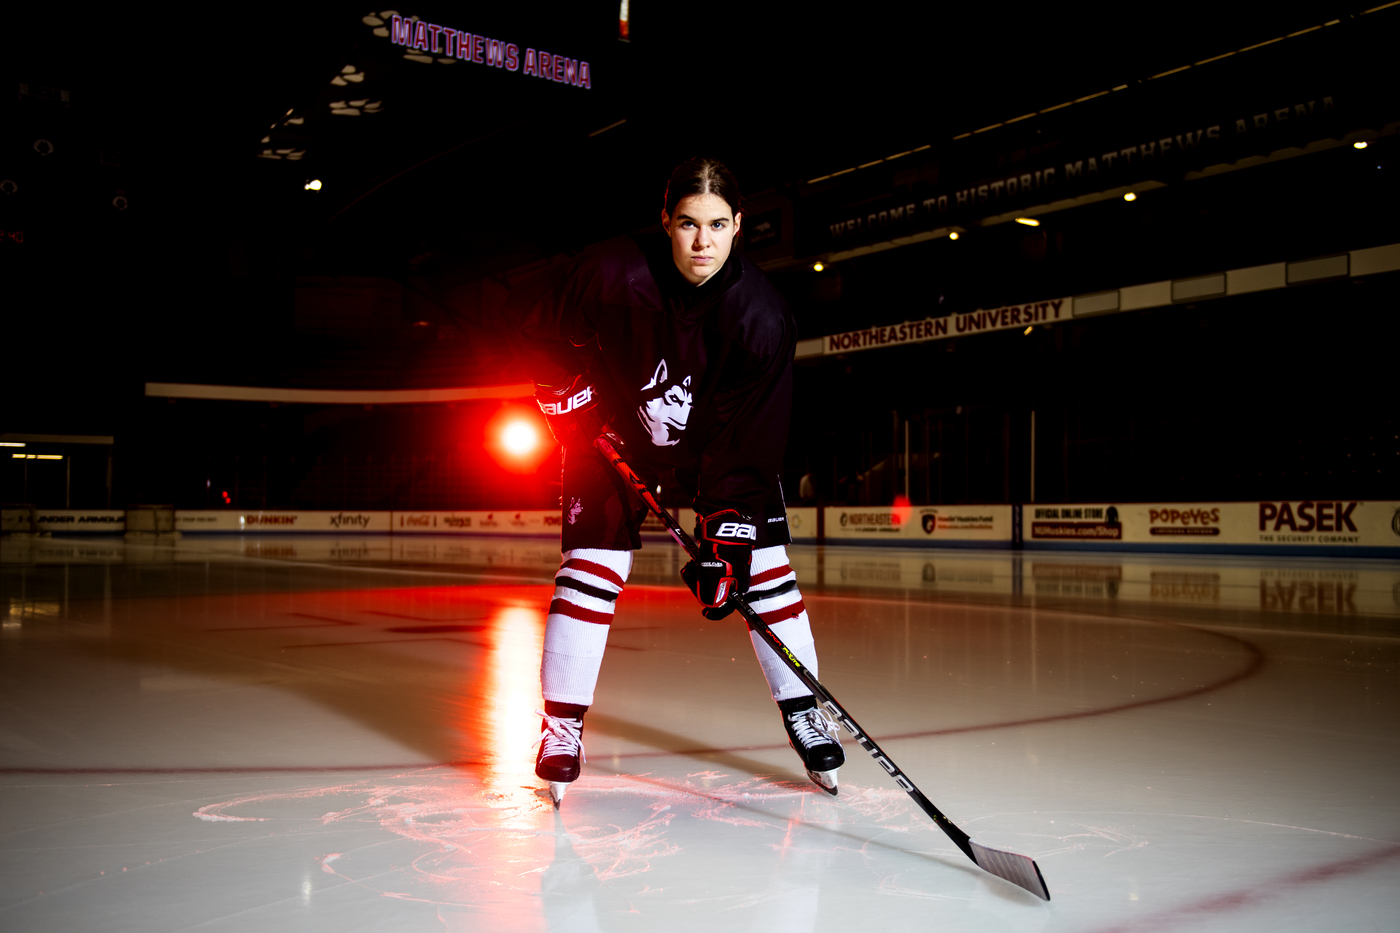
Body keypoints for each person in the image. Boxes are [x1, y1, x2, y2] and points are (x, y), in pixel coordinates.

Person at [504, 157, 843, 805]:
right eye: (687, 223)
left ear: (739, 225)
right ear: (665, 221)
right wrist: (566, 395)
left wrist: (727, 547)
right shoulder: (609, 274)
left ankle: (804, 709)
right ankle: (561, 724)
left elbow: (747, 446)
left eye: (717, 225)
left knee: (764, 569)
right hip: (615, 435)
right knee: (588, 566)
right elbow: (531, 326)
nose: (701, 242)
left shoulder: (762, 319)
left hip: (717, 449)